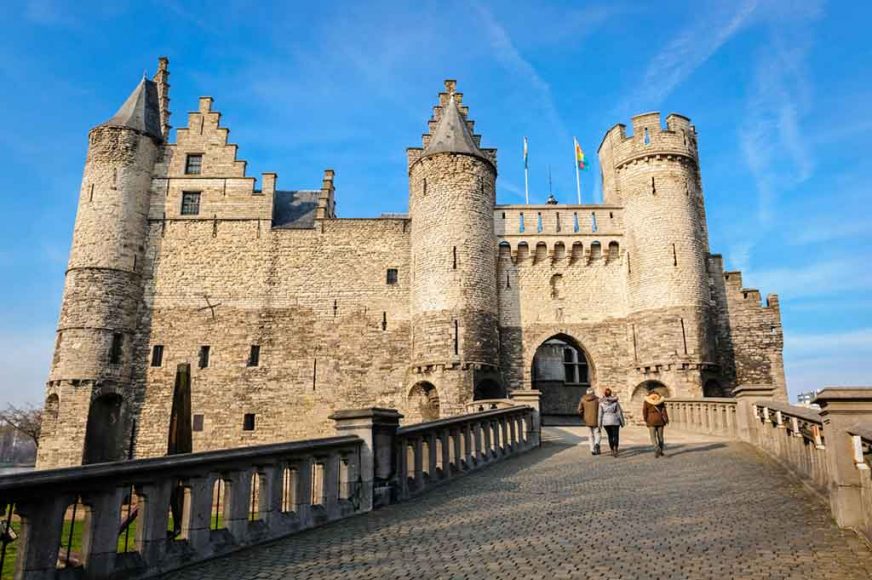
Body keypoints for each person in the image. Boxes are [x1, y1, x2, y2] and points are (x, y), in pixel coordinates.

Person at [598, 388, 625, 457]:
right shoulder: (615, 402)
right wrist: (622, 422)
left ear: (604, 394)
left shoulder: (601, 403)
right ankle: (616, 448)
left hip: (606, 421)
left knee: (610, 436)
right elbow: (619, 413)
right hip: (615, 420)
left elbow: (600, 415)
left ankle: (612, 450)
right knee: (616, 435)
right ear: (611, 393)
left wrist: (599, 425)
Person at [643, 390, 669, 457]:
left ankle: (657, 448)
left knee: (653, 436)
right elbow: (664, 410)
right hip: (660, 420)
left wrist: (646, 419)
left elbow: (644, 411)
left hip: (651, 420)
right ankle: (661, 450)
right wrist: (666, 419)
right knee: (660, 437)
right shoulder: (660, 400)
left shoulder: (647, 401)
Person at [577, 388, 601, 455]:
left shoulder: (583, 399)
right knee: (597, 433)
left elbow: (579, 410)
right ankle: (597, 444)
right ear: (593, 392)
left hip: (587, 420)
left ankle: (592, 449)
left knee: (590, 435)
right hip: (596, 419)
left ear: (587, 392)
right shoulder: (597, 399)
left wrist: (583, 416)